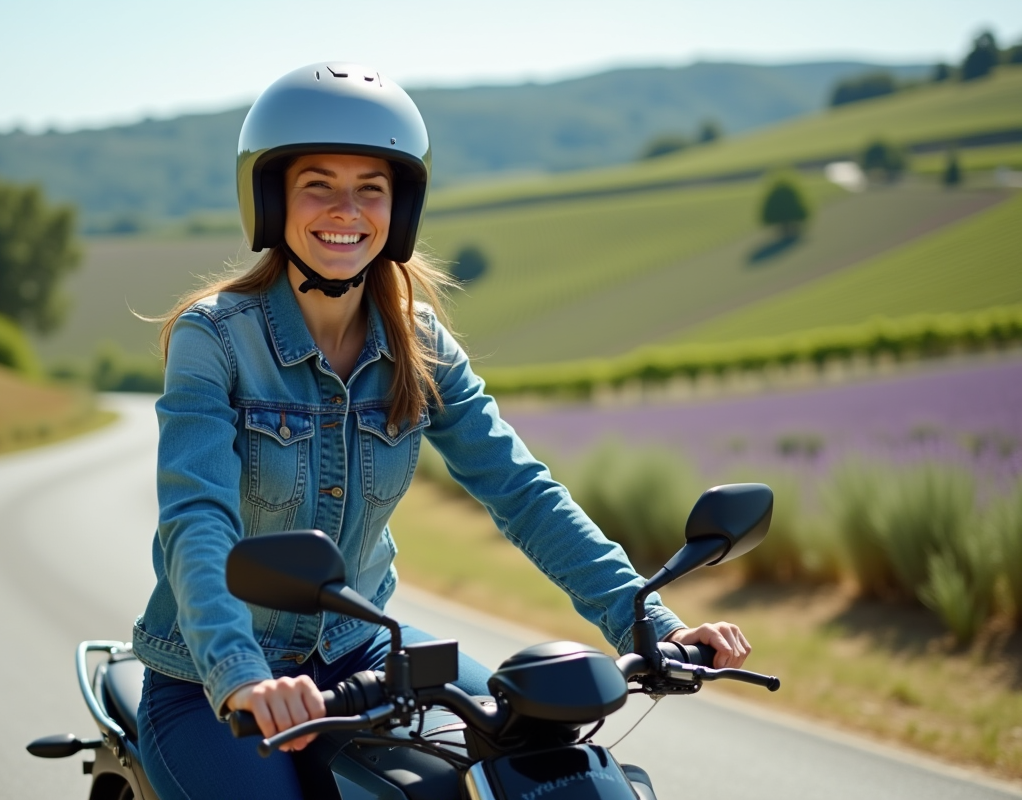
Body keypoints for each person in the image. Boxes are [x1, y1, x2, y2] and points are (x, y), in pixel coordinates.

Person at [131, 62, 751, 800]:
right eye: (317, 184)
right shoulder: (217, 339)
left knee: (528, 758)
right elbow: (197, 517)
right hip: (207, 678)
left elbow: (520, 490)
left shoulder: (418, 345)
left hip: (364, 655)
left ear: (402, 206)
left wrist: (646, 621)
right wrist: (241, 676)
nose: (346, 209)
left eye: (372, 188)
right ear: (271, 198)